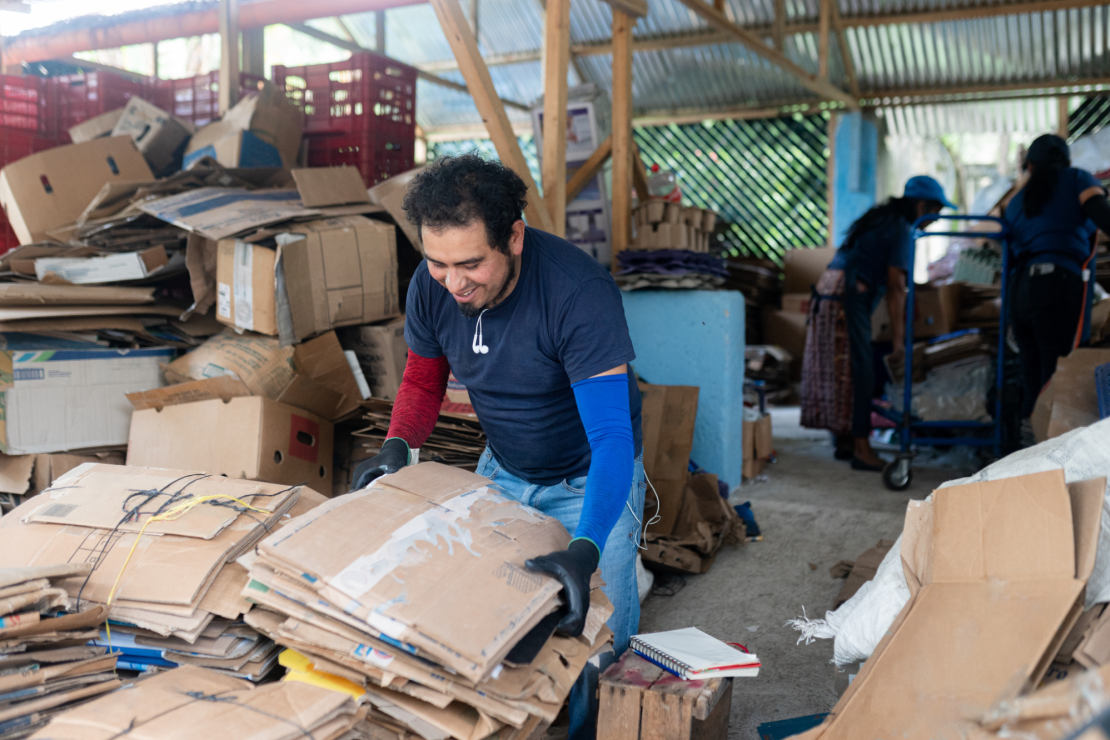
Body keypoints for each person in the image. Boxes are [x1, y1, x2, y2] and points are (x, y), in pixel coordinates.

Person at [350, 154, 644, 740]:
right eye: (437, 263)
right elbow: (422, 379)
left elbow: (613, 437)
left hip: (591, 477)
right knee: (491, 616)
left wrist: (586, 547)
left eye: (470, 264)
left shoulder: (576, 292)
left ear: (513, 236)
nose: (454, 283)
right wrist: (399, 446)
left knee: (598, 642)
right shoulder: (433, 286)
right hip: (504, 468)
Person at [800, 176, 952, 470]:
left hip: (830, 290)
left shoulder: (883, 219)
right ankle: (861, 449)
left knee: (840, 368)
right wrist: (899, 342)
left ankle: (845, 441)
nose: (935, 221)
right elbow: (896, 289)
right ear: (921, 206)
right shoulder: (902, 229)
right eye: (935, 212)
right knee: (862, 372)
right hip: (847, 295)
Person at [1004, 134, 1110, 447]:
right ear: (1065, 160)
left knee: (1033, 373)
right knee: (1057, 375)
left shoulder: (1015, 203)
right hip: (1056, 284)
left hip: (1020, 289)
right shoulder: (1077, 179)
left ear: (1030, 165)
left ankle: (1026, 453)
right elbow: (1103, 216)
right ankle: (1048, 461)